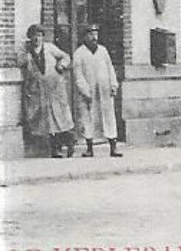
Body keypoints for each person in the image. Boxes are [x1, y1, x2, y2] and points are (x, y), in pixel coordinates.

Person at [19, 24, 74, 157]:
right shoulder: (27, 53)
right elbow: (21, 64)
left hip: (55, 88)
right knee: (47, 122)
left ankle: (70, 141)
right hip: (39, 91)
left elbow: (66, 57)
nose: (37, 39)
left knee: (60, 118)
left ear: (43, 37)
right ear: (30, 37)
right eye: (34, 36)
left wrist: (61, 65)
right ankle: (55, 149)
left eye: (39, 36)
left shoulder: (50, 48)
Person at [71, 23, 122, 158]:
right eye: (91, 35)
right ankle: (89, 147)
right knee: (88, 118)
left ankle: (113, 146)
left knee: (109, 117)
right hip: (89, 92)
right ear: (85, 37)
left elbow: (110, 68)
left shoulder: (103, 51)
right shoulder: (79, 54)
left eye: (95, 34)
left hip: (104, 90)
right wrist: (85, 91)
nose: (94, 37)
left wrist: (113, 84)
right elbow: (78, 75)